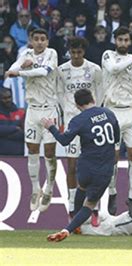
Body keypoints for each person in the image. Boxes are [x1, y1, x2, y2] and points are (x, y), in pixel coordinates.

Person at [44, 88, 120, 242]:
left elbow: (64, 140)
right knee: (90, 204)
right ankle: (68, 229)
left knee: (82, 187)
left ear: (77, 104)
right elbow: (117, 137)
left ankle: (73, 220)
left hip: (86, 166)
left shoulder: (78, 120)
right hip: (105, 169)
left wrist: (51, 127)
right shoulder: (109, 114)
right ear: (93, 98)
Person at [5, 28, 59, 213]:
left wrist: (22, 71)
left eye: (43, 39)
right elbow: (10, 70)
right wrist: (21, 66)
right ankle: (36, 189)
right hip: (33, 110)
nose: (40, 42)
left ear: (47, 41)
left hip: (49, 110)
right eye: (36, 39)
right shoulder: (25, 53)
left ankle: (49, 189)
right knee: (33, 150)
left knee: (50, 152)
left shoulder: (52, 53)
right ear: (30, 40)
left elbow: (44, 72)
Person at [101, 26, 132, 218]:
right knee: (112, 156)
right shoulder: (108, 56)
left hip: (130, 111)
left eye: (126, 40)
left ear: (130, 41)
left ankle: (131, 198)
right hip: (112, 111)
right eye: (120, 40)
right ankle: (112, 192)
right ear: (115, 41)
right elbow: (113, 69)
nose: (123, 43)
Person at [57, 37, 103, 221]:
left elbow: (100, 93)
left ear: (84, 51)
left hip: (91, 123)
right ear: (69, 51)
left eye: (79, 52)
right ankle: (71, 208)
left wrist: (93, 115)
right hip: (72, 122)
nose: (76, 56)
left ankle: (94, 209)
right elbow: (60, 95)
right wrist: (67, 115)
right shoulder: (62, 70)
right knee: (72, 166)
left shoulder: (94, 69)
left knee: (93, 166)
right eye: (73, 52)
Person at [0, 88, 25, 155]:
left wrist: (5, 133)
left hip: (20, 154)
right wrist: (15, 128)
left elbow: (25, 134)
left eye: (9, 97)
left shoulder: (21, 113)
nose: (8, 100)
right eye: (4, 98)